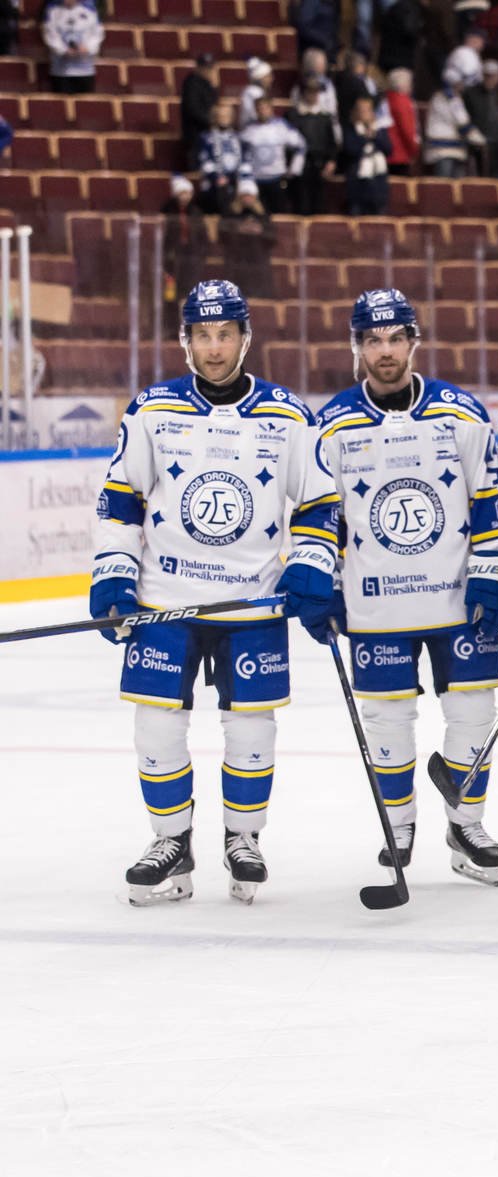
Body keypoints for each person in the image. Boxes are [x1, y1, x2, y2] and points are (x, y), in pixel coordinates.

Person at [92, 280, 341, 907]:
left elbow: (318, 501)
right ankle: (170, 841)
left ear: (245, 338)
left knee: (252, 729)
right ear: (184, 341)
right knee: (155, 726)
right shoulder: (152, 410)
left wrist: (311, 565)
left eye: (225, 334)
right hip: (164, 601)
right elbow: (120, 499)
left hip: (251, 602)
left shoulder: (286, 415)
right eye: (202, 335)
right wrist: (114, 572)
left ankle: (243, 837)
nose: (214, 347)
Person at [310, 289, 498, 883]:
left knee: (475, 711)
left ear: (414, 342)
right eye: (373, 341)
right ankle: (397, 827)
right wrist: (320, 578)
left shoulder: (461, 412)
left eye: (396, 339)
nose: (385, 352)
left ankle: (465, 821)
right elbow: (322, 515)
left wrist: (496, 570)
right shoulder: (333, 424)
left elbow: (490, 499)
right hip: (376, 603)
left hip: (458, 597)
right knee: (387, 721)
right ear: (357, 348)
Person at [240, 99, 304, 214]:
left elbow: (300, 145)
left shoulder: (281, 126)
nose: (263, 111)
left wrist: (294, 169)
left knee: (280, 214)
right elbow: (243, 155)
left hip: (277, 179)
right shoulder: (249, 129)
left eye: (265, 108)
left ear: (271, 109)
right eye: (259, 109)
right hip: (257, 180)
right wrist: (246, 177)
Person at [288, 76, 341, 215]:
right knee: (301, 203)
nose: (313, 95)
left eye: (316, 92)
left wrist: (331, 161)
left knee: (319, 204)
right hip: (299, 166)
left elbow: (332, 142)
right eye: (310, 92)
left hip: (319, 164)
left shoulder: (324, 116)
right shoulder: (293, 115)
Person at [423, 68, 484, 177]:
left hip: (455, 148)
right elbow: (461, 122)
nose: (462, 85)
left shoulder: (449, 97)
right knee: (445, 187)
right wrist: (479, 139)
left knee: (456, 188)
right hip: (444, 149)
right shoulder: (448, 98)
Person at [220, 180, 275, 300]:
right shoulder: (231, 213)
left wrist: (260, 231)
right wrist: (239, 229)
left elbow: (272, 238)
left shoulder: (262, 214)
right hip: (237, 260)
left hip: (258, 260)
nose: (247, 198)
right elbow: (222, 234)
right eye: (244, 195)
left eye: (249, 195)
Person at [341, 95, 392, 215]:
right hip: (357, 186)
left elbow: (388, 149)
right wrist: (365, 138)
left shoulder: (379, 130)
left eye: (367, 110)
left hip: (378, 184)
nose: (364, 113)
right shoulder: (350, 130)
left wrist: (374, 136)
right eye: (361, 110)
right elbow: (350, 150)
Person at [197, 102, 250, 215]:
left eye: (227, 115)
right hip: (214, 186)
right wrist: (217, 178)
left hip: (235, 184)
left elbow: (245, 161)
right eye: (221, 116)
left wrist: (237, 178)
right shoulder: (206, 138)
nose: (224, 119)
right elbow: (205, 162)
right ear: (215, 117)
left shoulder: (239, 138)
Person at [44, 0, 103, 94]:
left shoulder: (90, 11)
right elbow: (50, 35)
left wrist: (87, 48)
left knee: (84, 105)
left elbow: (97, 35)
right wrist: (64, 50)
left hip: (85, 71)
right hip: (61, 71)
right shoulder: (53, 11)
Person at [181, 53, 220, 171]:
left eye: (209, 68)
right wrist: (211, 122)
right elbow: (193, 109)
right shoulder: (192, 83)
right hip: (196, 136)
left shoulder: (208, 84)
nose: (207, 71)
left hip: (208, 136)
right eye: (205, 67)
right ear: (198, 67)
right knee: (199, 170)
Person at [383, 66, 419, 176]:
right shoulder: (402, 101)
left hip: (387, 150)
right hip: (400, 153)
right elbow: (407, 129)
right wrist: (414, 150)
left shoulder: (386, 98)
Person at [239, 57, 273, 128]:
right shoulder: (253, 92)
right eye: (268, 76)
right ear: (260, 78)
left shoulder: (255, 91)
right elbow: (257, 116)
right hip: (252, 129)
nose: (271, 79)